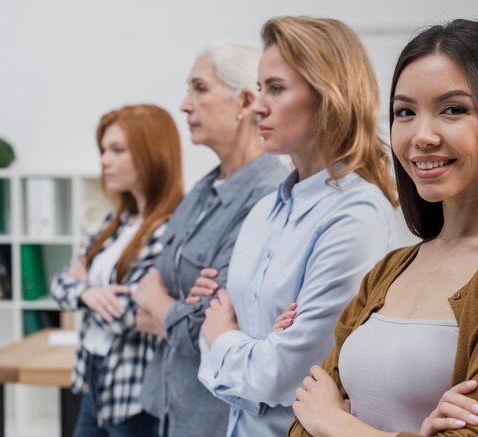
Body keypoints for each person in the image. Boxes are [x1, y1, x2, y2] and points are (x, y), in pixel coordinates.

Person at [288, 19, 478, 437]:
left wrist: (335, 422)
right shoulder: (390, 270)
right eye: (405, 112)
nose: (421, 135)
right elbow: (302, 420)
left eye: (453, 109)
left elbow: (318, 417)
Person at [189, 16, 399, 437]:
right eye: (260, 87)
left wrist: (228, 340)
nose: (258, 105)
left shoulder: (356, 214)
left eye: (277, 88)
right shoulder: (264, 210)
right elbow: (208, 331)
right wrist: (250, 347)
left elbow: (286, 375)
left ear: (329, 95)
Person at [131, 43, 288, 437]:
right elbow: (145, 279)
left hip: (215, 418)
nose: (185, 105)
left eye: (200, 89)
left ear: (246, 102)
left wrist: (158, 301)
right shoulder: (203, 189)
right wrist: (170, 302)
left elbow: (201, 325)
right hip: (168, 406)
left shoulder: (268, 196)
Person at [51, 104, 184, 437]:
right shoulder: (114, 222)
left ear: (151, 153)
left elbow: (137, 313)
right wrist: (89, 294)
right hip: (92, 375)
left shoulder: (171, 229)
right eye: (103, 150)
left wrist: (83, 295)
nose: (104, 160)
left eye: (117, 150)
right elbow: (60, 283)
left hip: (135, 392)